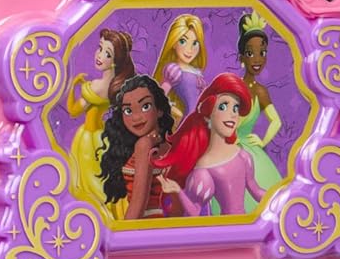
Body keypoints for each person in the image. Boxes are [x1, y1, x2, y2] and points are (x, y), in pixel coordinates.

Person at [155, 73, 264, 217]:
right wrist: (178, 191)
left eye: (236, 108)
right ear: (208, 112)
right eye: (223, 106)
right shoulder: (203, 170)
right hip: (226, 229)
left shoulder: (243, 156)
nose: (233, 114)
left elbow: (256, 191)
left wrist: (282, 196)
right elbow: (194, 212)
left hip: (247, 225)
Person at [67, 28, 135, 215]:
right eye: (100, 48)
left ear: (115, 61)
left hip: (88, 139)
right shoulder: (116, 86)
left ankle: (95, 215)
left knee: (89, 182)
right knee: (101, 178)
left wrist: (73, 85)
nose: (99, 55)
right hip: (103, 137)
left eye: (107, 53)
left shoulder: (96, 87)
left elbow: (73, 111)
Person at [98, 75, 175, 220]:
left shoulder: (144, 145)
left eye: (145, 106)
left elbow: (138, 206)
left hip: (145, 224)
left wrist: (125, 232)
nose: (136, 117)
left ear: (159, 109)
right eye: (128, 111)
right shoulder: (163, 144)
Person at [236, 11, 282, 211]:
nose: (256, 59)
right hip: (229, 153)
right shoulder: (234, 86)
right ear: (241, 57)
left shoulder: (260, 91)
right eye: (250, 53)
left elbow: (276, 121)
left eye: (262, 53)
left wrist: (262, 142)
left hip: (252, 155)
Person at [153, 14, 207, 125]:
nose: (189, 49)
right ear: (173, 43)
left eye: (195, 43)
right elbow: (159, 97)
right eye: (183, 41)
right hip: (187, 122)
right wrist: (175, 112)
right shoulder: (174, 70)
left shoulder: (196, 72)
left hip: (201, 119)